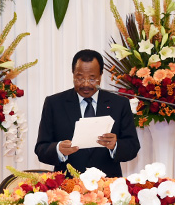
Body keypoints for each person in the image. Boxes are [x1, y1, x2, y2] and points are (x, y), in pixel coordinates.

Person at [35, 49, 140, 177]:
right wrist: (58, 149)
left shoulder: (119, 104)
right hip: (67, 186)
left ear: (101, 75)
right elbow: (41, 149)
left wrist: (116, 145)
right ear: (73, 74)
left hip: (108, 185)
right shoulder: (54, 103)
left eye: (92, 79)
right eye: (79, 78)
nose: (85, 84)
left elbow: (133, 147)